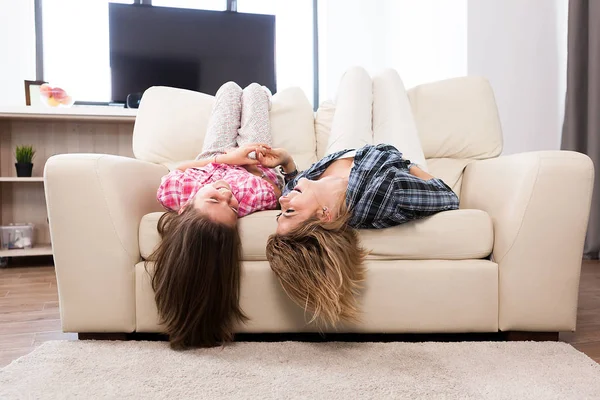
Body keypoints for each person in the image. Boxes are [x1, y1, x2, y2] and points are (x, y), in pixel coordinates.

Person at [262, 67, 460, 327]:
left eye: (281, 212)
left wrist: (288, 164)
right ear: (324, 215)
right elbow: (448, 196)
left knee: (355, 75)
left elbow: (291, 192)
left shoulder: (298, 189)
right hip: (396, 151)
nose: (282, 201)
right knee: (388, 78)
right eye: (289, 211)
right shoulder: (388, 195)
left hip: (342, 151)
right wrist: (407, 165)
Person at [146, 81, 282, 349]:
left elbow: (181, 167)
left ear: (185, 207)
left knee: (229, 89)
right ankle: (262, 93)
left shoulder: (175, 192)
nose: (227, 193)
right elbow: (275, 190)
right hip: (253, 166)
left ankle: (244, 97)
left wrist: (224, 160)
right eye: (232, 207)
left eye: (212, 198)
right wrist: (247, 162)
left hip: (213, 157)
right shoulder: (251, 197)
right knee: (254, 90)